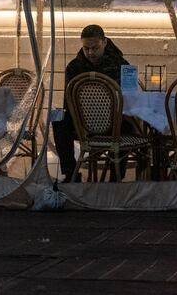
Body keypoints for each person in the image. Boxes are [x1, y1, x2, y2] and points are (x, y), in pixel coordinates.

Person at [52, 24, 132, 183]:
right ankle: (70, 173)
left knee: (130, 125)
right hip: (83, 123)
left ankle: (116, 174)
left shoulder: (121, 65)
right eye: (86, 48)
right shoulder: (74, 67)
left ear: (105, 42)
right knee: (59, 123)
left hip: (112, 123)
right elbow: (69, 101)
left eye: (95, 48)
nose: (90, 53)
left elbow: (129, 96)